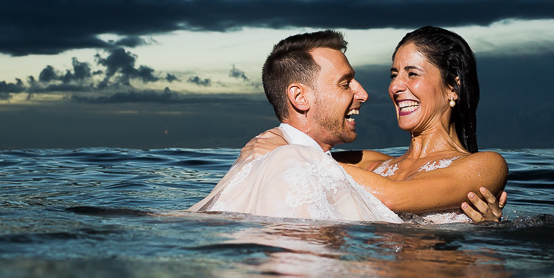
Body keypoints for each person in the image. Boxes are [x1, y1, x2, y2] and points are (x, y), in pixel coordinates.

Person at [190, 29, 506, 223]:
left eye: (412, 74)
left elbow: (395, 197)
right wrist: (267, 143)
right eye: (393, 74)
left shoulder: (485, 165)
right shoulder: (371, 162)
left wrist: (291, 150)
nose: (396, 87)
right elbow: (303, 154)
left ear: (453, 88)